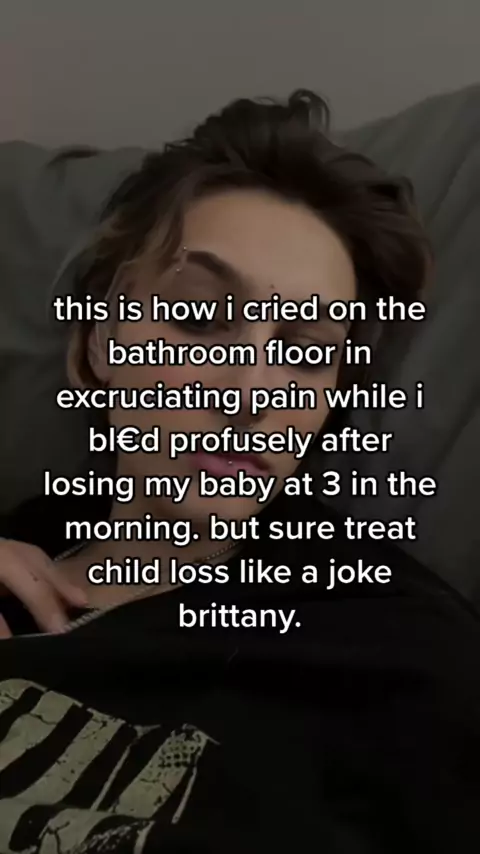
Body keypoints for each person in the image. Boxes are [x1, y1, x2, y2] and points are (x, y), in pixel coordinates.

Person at [0, 90, 478, 854]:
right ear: (98, 344)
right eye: (199, 316)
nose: (252, 391)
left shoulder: (402, 653)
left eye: (307, 353)